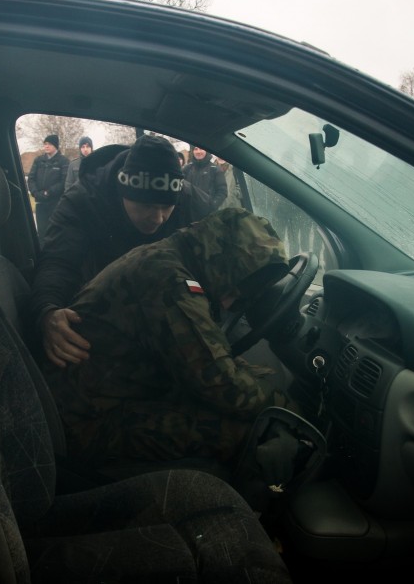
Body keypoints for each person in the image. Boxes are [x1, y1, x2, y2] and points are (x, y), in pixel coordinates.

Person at [46, 208, 300, 466]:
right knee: (246, 434)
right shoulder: (170, 284)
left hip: (107, 394)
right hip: (87, 423)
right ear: (220, 257)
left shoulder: (167, 257)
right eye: (232, 288)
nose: (228, 303)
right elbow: (217, 382)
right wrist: (288, 409)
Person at [31, 134, 210, 369]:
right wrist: (48, 310)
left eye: (167, 207)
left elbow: (216, 252)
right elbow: (58, 262)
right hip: (103, 319)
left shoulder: (188, 199)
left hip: (171, 315)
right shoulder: (83, 200)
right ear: (123, 191)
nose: (158, 218)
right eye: (146, 206)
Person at [27, 134, 69, 233]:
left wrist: (49, 192)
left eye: (49, 144)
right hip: (40, 203)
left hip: (55, 203)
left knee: (54, 232)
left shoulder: (63, 161)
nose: (46, 146)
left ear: (55, 145)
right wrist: (35, 193)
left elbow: (64, 181)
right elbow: (31, 179)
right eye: (45, 144)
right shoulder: (38, 160)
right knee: (42, 232)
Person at [183, 145, 227, 212]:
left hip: (207, 213)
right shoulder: (187, 168)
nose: (198, 152)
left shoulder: (215, 170)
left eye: (201, 149)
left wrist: (213, 205)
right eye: (196, 149)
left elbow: (222, 191)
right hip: (188, 211)